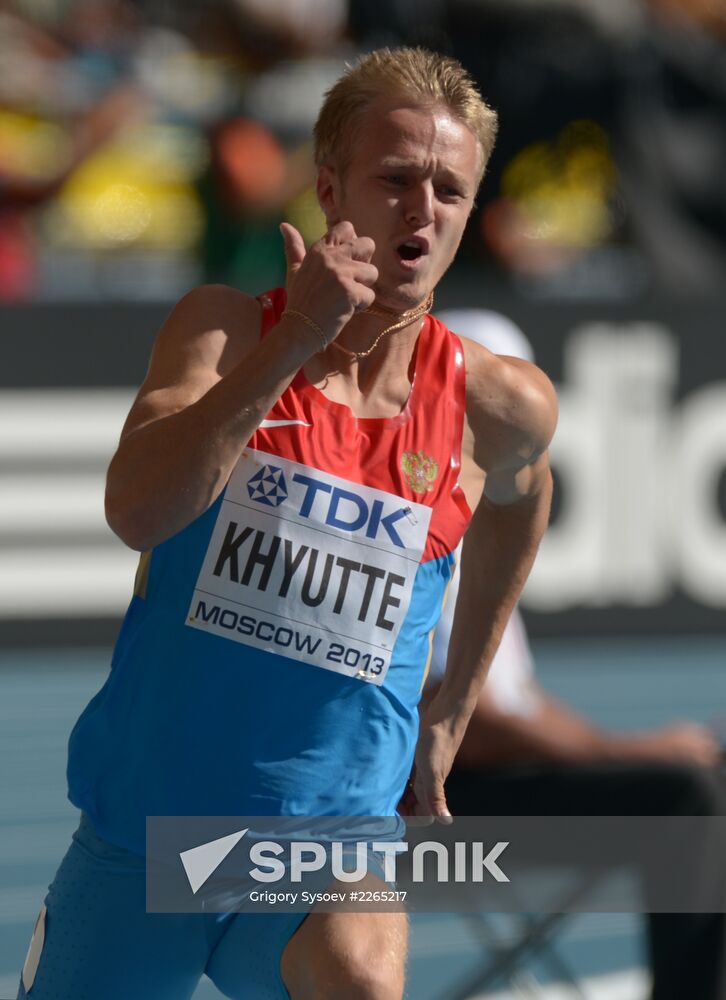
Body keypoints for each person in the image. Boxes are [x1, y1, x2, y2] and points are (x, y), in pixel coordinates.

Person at [17, 48, 557, 1000]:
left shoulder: (495, 403)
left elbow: (524, 494)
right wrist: (295, 344)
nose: (421, 212)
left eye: (450, 190)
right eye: (394, 180)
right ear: (328, 186)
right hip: (152, 840)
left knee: (358, 971)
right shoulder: (221, 330)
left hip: (328, 847)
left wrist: (456, 706)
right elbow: (136, 510)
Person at [429, 306, 726, 1000]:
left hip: (470, 797)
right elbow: (461, 720)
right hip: (428, 823)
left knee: (706, 776)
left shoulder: (487, 523)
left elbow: (509, 703)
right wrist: (627, 751)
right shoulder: (419, 522)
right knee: (684, 798)